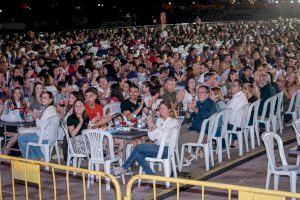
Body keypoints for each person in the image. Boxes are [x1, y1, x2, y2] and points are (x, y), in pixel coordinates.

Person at [112, 101, 179, 176]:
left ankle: (124, 168)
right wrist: (150, 126)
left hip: (166, 150)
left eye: (164, 108)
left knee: (138, 147)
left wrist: (153, 125)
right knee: (137, 153)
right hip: (158, 147)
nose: (161, 110)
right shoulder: (160, 120)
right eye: (160, 108)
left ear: (169, 110)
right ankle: (150, 174)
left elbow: (161, 136)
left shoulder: (173, 121)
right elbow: (152, 138)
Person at [18, 91, 58, 160]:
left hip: (44, 137)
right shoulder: (52, 108)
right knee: (29, 136)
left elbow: (40, 125)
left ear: (50, 100)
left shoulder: (48, 109)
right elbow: (44, 123)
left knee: (21, 138)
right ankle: (40, 155)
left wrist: (35, 117)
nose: (42, 99)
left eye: (45, 98)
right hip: (51, 137)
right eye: (42, 98)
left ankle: (31, 158)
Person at [0, 87, 29, 155]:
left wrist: (27, 108)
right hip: (7, 126)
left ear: (21, 94)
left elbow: (25, 116)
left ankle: (18, 153)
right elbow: (4, 115)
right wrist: (10, 109)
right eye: (15, 93)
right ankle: (5, 151)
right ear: (13, 94)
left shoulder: (23, 103)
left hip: (17, 126)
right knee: (17, 135)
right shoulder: (9, 102)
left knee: (22, 134)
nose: (17, 95)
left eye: (19, 93)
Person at [226, 79, 248, 148]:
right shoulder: (242, 95)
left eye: (234, 86)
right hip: (240, 122)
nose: (231, 87)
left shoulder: (237, 97)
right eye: (231, 85)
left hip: (234, 124)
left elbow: (226, 109)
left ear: (240, 88)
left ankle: (222, 144)